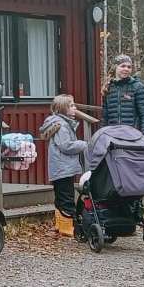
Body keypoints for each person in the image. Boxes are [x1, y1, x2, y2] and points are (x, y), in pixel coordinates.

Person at [39, 94, 87, 225]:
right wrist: (83, 144)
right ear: (63, 109)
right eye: (71, 106)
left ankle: (60, 225)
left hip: (59, 167)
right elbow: (66, 145)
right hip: (64, 167)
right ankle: (68, 226)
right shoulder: (62, 125)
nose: (75, 108)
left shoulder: (58, 123)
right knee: (67, 198)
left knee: (61, 196)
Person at [101, 53, 144, 138]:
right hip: (113, 135)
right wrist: (102, 134)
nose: (126, 69)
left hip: (133, 135)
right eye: (123, 66)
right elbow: (104, 116)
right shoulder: (109, 88)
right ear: (115, 67)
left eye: (129, 67)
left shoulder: (138, 87)